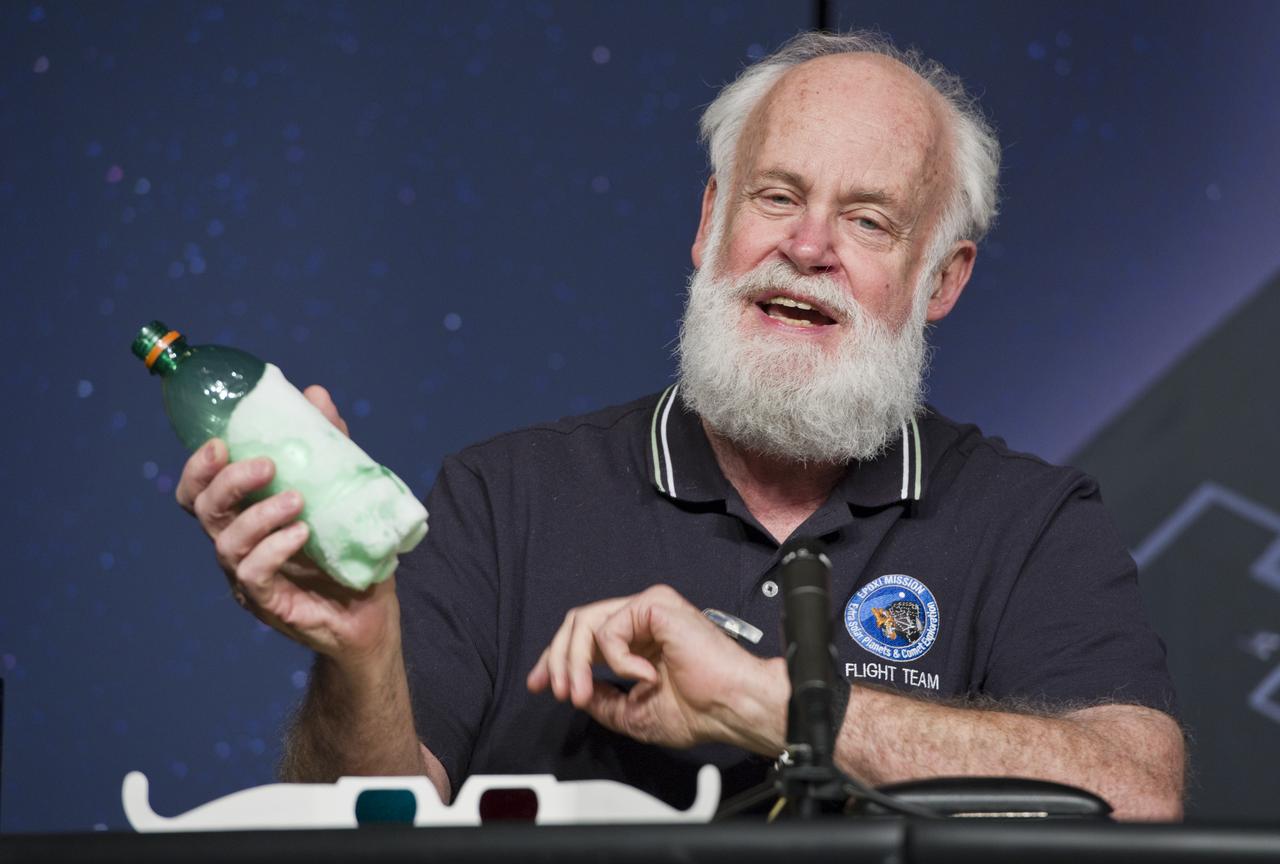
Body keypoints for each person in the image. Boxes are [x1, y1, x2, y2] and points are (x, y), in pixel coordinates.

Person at [175, 32, 1185, 821]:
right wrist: (356, 653)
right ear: (710, 223)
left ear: (941, 281)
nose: (806, 246)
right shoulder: (502, 499)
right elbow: (360, 830)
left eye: (868, 220)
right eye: (776, 195)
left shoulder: (1031, 521)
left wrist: (766, 703)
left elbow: (1136, 795)